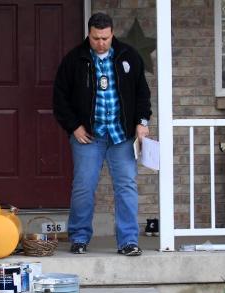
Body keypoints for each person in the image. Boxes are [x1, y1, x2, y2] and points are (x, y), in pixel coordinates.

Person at [53, 12, 151, 257]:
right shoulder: (75, 59)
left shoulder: (129, 56)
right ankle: (79, 237)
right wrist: (74, 126)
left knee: (126, 186)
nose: (101, 43)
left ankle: (128, 241)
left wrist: (142, 122)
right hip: (89, 136)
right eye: (96, 38)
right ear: (89, 34)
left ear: (112, 33)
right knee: (84, 187)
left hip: (122, 136)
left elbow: (142, 94)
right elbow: (59, 98)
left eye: (105, 38)